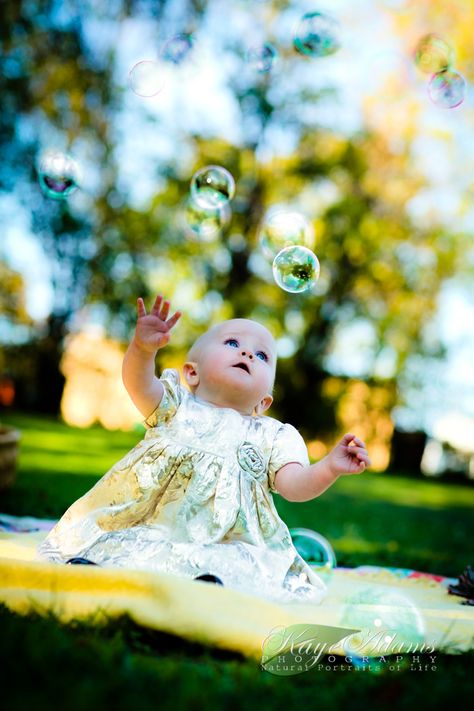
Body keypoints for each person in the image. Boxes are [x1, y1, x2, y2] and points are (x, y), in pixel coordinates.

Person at [36, 294, 371, 605]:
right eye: (233, 343)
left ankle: (208, 587)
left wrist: (329, 467)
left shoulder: (272, 436)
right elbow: (138, 383)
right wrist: (141, 349)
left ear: (264, 401)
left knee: (240, 562)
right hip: (154, 525)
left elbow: (294, 486)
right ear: (191, 373)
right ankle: (97, 567)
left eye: (262, 355)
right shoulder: (175, 406)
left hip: (224, 541)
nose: (247, 354)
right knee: (127, 540)